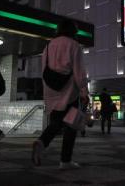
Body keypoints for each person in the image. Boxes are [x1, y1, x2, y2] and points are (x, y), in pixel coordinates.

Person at [32, 20, 89, 169]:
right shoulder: (74, 45)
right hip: (69, 90)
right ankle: (65, 160)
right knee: (71, 125)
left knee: (56, 123)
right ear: (72, 31)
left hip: (52, 90)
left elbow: (44, 69)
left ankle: (41, 142)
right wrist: (84, 91)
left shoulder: (49, 46)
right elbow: (79, 71)